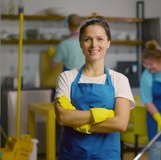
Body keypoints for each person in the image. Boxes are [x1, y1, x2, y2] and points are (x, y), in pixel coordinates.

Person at [54, 13, 135, 160]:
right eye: (87, 39)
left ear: (108, 43)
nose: (94, 45)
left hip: (106, 156)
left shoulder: (119, 80)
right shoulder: (66, 77)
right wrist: (99, 114)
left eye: (100, 39)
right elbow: (62, 117)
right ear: (80, 43)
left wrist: (79, 125)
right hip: (72, 155)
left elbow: (121, 123)